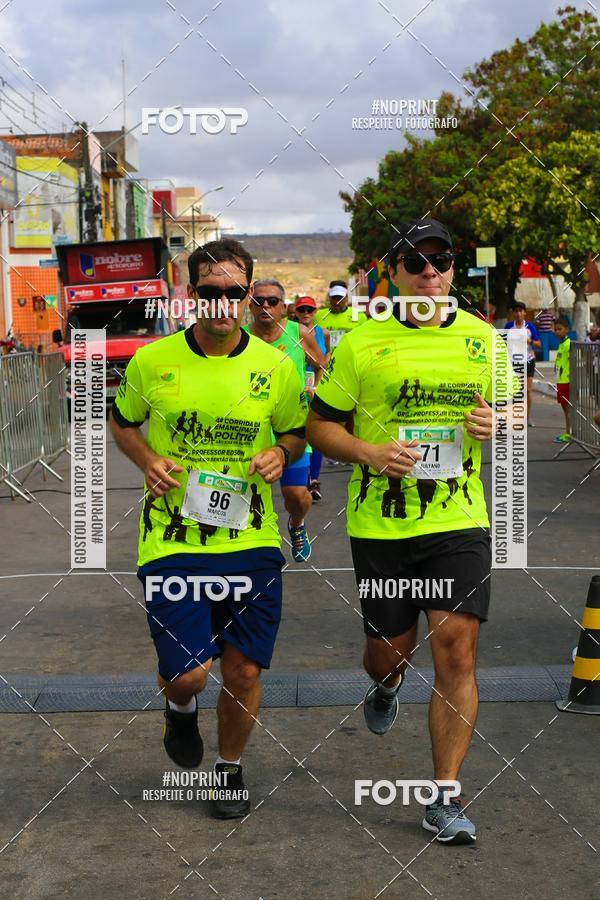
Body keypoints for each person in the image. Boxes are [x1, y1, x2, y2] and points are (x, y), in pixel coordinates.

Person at [307, 217, 515, 846]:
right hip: (382, 525)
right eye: (416, 263)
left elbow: (512, 410)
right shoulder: (362, 343)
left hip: (458, 519)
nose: (430, 273)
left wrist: (498, 422)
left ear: (453, 268)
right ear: (393, 273)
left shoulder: (484, 340)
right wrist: (369, 453)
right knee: (388, 653)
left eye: (440, 261)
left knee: (456, 650)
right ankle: (387, 683)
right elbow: (320, 426)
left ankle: (444, 796)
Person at [110, 239, 307, 820]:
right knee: (190, 676)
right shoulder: (153, 361)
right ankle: (179, 708)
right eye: (210, 291)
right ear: (192, 294)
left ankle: (229, 770)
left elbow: (296, 432)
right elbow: (122, 422)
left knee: (243, 669)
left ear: (248, 295)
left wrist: (280, 452)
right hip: (173, 541)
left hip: (250, 540)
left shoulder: (276, 365)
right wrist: (148, 460)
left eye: (234, 291)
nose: (223, 301)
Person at [246, 279, 326, 560]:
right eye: (258, 301)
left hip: (292, 428)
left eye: (272, 301)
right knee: (248, 493)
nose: (265, 306)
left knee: (295, 495)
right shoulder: (240, 337)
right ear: (250, 305)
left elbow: (320, 365)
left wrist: (314, 387)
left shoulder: (299, 333)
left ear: (283, 307)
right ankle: (253, 546)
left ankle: (297, 523)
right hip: (251, 427)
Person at [295, 295, 330, 500]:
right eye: (302, 310)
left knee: (315, 432)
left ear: (315, 311)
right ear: (296, 312)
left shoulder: (323, 333)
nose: (306, 313)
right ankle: (303, 477)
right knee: (299, 432)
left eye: (309, 310)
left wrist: (317, 385)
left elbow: (325, 358)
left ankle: (313, 480)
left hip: (315, 386)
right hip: (296, 386)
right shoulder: (290, 331)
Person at [504, 301, 540, 426]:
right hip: (513, 362)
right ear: (513, 313)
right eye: (516, 311)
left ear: (524, 313)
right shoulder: (509, 326)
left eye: (521, 311)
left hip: (528, 360)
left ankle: (527, 418)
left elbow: (538, 344)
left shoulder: (530, 327)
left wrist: (529, 341)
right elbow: (502, 342)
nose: (518, 313)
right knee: (514, 391)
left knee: (528, 390)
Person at [314, 279, 367, 351]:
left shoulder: (358, 315)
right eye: (334, 298)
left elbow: (365, 340)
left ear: (346, 297)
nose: (337, 302)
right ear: (329, 298)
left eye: (340, 298)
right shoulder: (318, 315)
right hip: (326, 356)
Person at [553, 317, 571, 443]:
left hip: (566, 381)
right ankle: (568, 432)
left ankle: (569, 433)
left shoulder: (568, 344)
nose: (557, 332)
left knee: (567, 409)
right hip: (560, 381)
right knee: (565, 409)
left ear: (566, 330)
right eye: (555, 330)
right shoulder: (561, 344)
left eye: (560, 329)